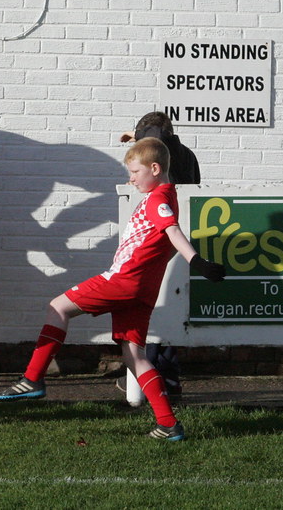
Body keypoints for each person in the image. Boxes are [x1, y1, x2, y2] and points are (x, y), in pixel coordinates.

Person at [0, 137, 226, 441]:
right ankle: (168, 424)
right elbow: (165, 244)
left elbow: (173, 232)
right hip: (141, 290)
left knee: (57, 307)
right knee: (135, 356)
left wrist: (198, 262)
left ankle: (32, 379)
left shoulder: (158, 200)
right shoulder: (168, 196)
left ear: (155, 168)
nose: (130, 179)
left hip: (123, 280)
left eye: (134, 172)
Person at [119, 111, 201, 396]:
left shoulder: (155, 153)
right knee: (170, 309)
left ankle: (151, 375)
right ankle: (166, 375)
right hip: (180, 238)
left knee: (153, 309)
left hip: (156, 241)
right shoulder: (186, 155)